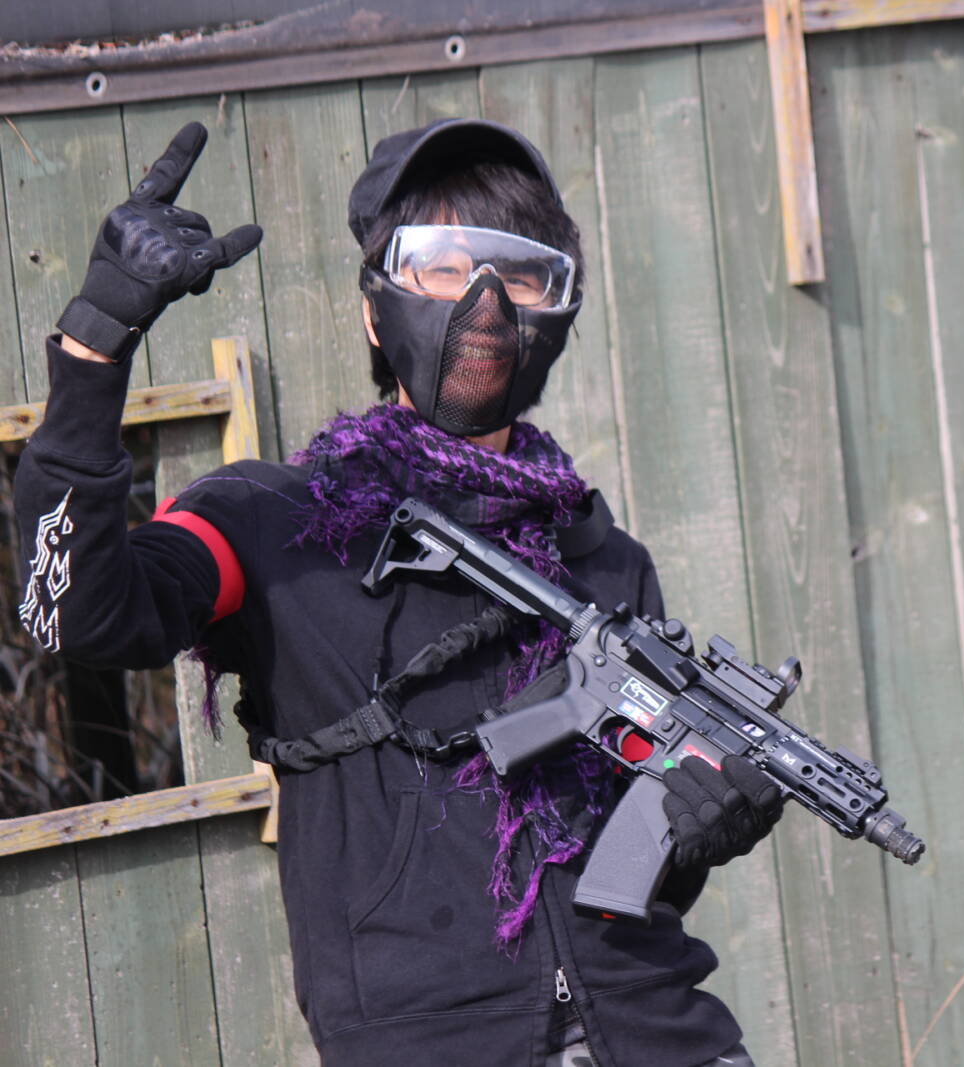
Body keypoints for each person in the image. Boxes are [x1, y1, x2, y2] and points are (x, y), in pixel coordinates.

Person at [14, 119, 780, 1067]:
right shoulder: (274, 523)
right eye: (443, 267)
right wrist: (96, 345)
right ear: (377, 311)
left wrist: (697, 824)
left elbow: (627, 875)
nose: (484, 302)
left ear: (559, 309)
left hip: (662, 1031)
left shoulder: (600, 557)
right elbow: (71, 610)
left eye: (520, 273)